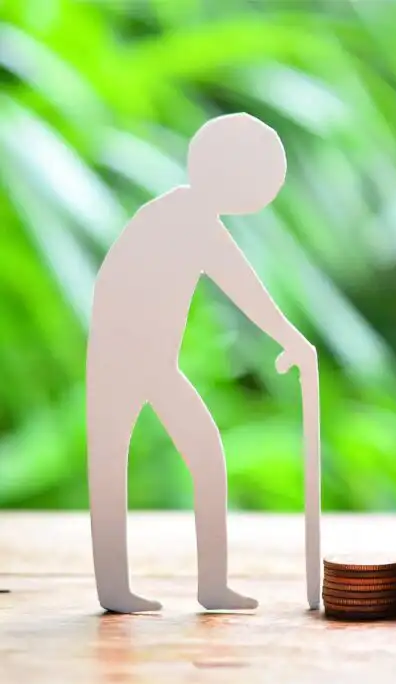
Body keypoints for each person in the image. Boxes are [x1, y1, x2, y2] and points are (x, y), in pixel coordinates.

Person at [86, 114, 316, 613]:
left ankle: (209, 585)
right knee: (112, 462)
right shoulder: (182, 217)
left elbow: (241, 284)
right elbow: (241, 286)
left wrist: (293, 339)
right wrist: (292, 339)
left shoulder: (190, 216)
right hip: (125, 359)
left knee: (200, 455)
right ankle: (117, 588)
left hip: (150, 362)